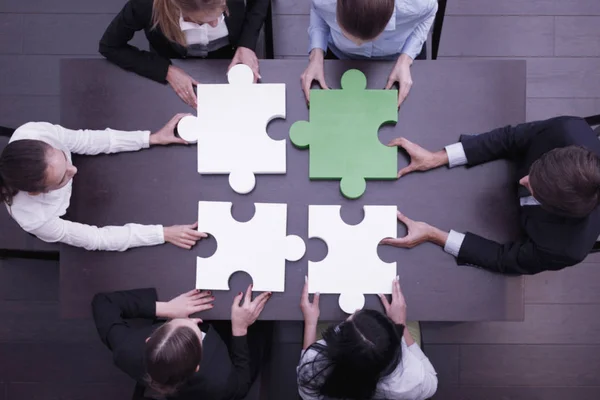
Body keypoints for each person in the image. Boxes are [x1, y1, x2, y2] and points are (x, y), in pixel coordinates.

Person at [381, 116, 600, 275]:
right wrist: (437, 157)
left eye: (535, 189)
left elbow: (503, 260)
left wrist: (433, 235)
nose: (523, 180)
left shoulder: (568, 247)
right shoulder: (567, 131)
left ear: (554, 209)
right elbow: (511, 137)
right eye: (533, 171)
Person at [0, 114, 205, 252]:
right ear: (37, 193)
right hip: (75, 212)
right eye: (62, 177)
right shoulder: (37, 220)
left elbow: (85, 140)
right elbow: (98, 239)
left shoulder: (34, 133)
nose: (75, 169)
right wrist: (164, 233)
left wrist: (151, 138)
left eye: (63, 156)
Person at [92, 284, 272, 399]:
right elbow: (241, 385)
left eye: (175, 322)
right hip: (229, 341)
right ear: (197, 367)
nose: (195, 320)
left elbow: (102, 303)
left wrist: (165, 308)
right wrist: (240, 329)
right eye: (195, 329)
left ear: (149, 340)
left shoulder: (127, 351)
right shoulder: (221, 383)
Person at [100, 0, 270, 108]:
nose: (214, 24)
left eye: (223, 10)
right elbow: (110, 46)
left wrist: (246, 44)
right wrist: (166, 70)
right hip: (174, 59)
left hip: (231, 52)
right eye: (202, 21)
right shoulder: (144, 5)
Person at [297, 277, 438, 400]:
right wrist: (401, 323)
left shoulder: (316, 362)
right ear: (395, 345)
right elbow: (432, 381)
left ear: (339, 344)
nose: (356, 311)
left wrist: (310, 323)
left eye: (348, 321)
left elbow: (308, 396)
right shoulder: (410, 380)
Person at [301, 0, 438, 106]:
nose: (358, 45)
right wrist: (316, 55)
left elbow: (430, 13)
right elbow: (318, 10)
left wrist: (405, 59)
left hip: (398, 56)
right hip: (338, 56)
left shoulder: (418, 4)